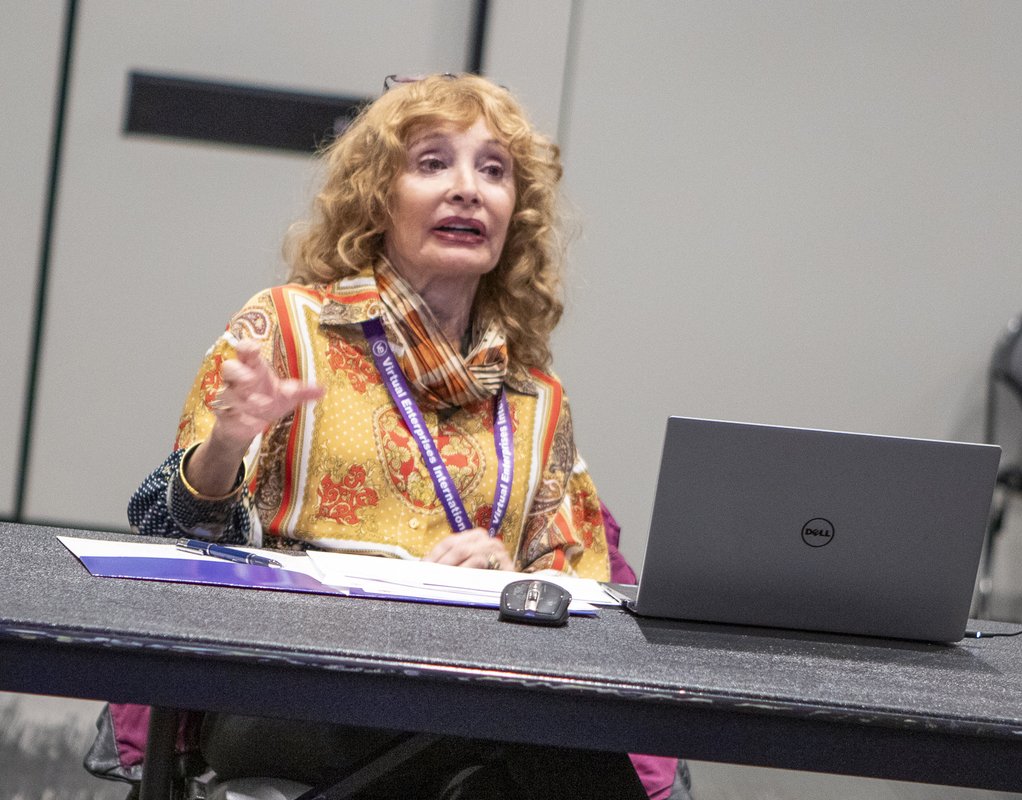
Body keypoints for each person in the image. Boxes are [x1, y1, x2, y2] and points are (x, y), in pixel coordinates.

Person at [113, 73, 681, 799]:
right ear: (379, 196)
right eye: (433, 163)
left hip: (472, 681)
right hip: (293, 676)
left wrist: (511, 577)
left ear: (515, 214)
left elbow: (590, 597)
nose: (468, 189)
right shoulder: (289, 325)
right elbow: (170, 535)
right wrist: (226, 447)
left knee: (527, 751)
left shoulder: (536, 397)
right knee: (546, 760)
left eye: (494, 170)